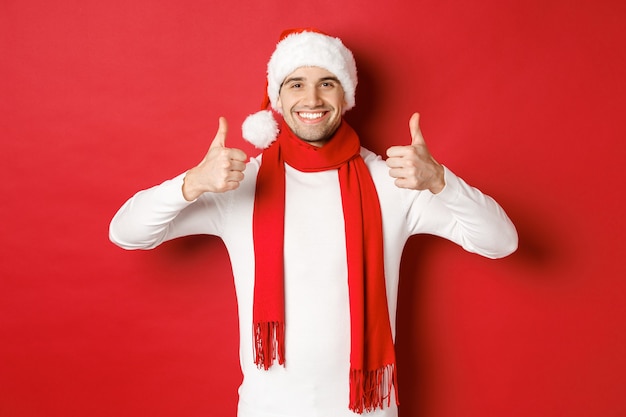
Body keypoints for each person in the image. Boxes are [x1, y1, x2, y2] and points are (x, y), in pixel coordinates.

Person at [109, 28, 518, 417]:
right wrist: (192, 182)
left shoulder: (393, 180)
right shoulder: (238, 183)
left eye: (327, 82)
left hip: (366, 411)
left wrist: (442, 183)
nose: (312, 98)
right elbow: (126, 233)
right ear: (278, 97)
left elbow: (501, 242)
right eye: (296, 83)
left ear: (346, 94)